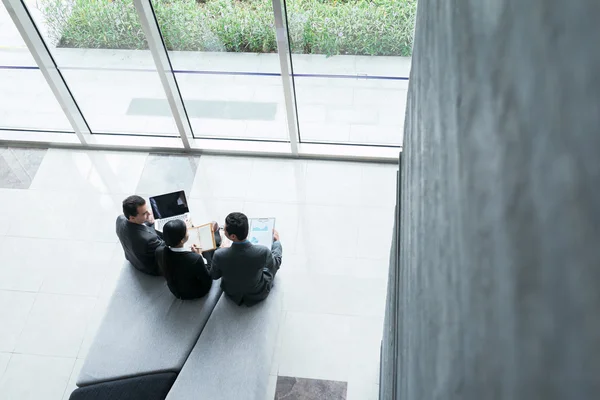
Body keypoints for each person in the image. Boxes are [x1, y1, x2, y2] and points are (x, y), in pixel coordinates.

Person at [210, 212, 282, 307]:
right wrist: (277, 243)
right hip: (257, 293)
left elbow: (214, 275)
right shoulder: (263, 251)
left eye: (225, 228)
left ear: (233, 237)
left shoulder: (219, 254)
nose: (224, 230)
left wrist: (222, 250)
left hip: (232, 292)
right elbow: (275, 264)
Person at [155, 219, 214, 300]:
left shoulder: (159, 251)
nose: (188, 232)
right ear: (182, 240)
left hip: (176, 290)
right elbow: (207, 281)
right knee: (208, 252)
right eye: (187, 231)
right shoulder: (195, 259)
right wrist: (200, 256)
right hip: (197, 292)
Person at [116, 195, 164, 276]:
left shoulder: (120, 219)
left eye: (147, 209)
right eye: (144, 213)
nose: (149, 213)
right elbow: (166, 248)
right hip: (151, 268)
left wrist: (147, 220)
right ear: (132, 218)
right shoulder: (148, 239)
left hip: (132, 258)